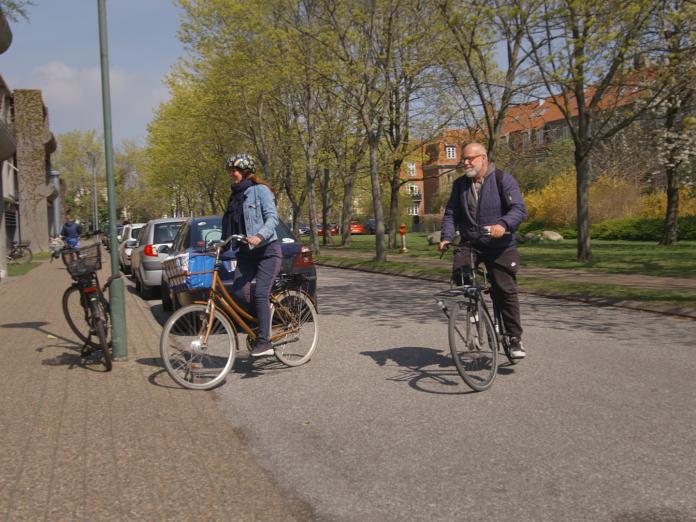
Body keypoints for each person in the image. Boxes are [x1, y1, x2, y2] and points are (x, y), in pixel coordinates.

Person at [438, 142, 528, 358]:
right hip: (472, 242)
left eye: (470, 158)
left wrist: (503, 225)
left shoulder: (502, 179)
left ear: (483, 158)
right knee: (460, 272)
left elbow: (519, 209)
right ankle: (474, 311)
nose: (466, 163)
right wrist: (446, 237)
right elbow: (452, 214)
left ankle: (515, 338)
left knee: (505, 290)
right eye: (464, 159)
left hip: (500, 245)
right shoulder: (460, 185)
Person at [222, 153, 281, 357]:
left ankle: (265, 342)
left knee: (259, 293)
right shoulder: (235, 197)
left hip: (268, 251)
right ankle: (263, 322)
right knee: (238, 292)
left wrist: (258, 235)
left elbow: (273, 219)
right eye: (231, 170)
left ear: (246, 172)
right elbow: (230, 227)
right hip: (246, 253)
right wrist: (220, 245)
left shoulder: (260, 191)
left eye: (236, 170)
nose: (232, 174)